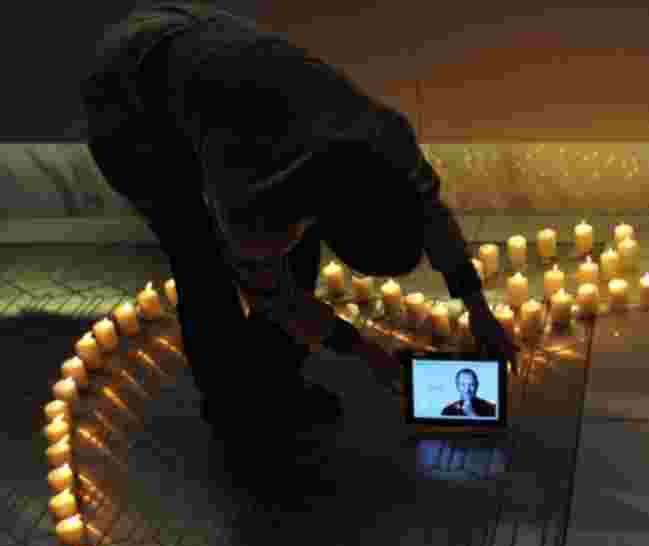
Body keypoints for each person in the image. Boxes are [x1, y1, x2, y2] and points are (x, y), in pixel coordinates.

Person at [80, 2, 519, 439]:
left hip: (197, 38)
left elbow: (429, 208)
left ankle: (277, 380)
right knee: (202, 265)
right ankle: (234, 410)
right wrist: (365, 352)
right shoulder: (251, 197)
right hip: (128, 106)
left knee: (293, 258)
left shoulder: (385, 137)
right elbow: (273, 293)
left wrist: (477, 308)